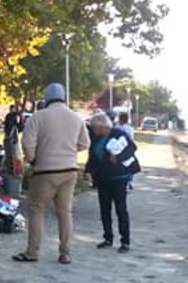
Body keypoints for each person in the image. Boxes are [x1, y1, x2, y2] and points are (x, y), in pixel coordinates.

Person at [16, 83, 90, 265]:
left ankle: (33, 251)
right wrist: (69, 150)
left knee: (37, 210)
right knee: (65, 212)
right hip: (69, 170)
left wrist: (34, 160)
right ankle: (65, 252)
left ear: (46, 98)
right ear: (63, 97)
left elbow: (27, 143)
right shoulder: (76, 118)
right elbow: (85, 143)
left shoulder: (38, 117)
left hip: (45, 171)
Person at [85, 111, 138, 253]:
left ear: (102, 126)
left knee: (121, 209)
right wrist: (88, 170)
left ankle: (125, 241)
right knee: (104, 209)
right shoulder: (96, 138)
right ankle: (108, 237)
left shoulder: (118, 134)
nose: (93, 130)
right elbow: (92, 155)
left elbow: (132, 148)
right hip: (102, 178)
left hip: (119, 177)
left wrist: (119, 157)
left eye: (94, 128)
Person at [4, 104, 24, 173]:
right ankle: (11, 166)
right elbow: (6, 126)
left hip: (14, 136)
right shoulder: (8, 116)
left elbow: (19, 126)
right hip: (10, 135)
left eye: (12, 109)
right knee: (11, 151)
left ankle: (15, 167)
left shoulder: (16, 115)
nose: (11, 110)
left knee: (15, 152)